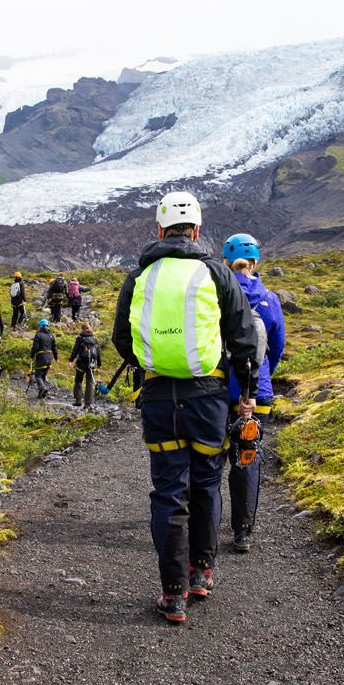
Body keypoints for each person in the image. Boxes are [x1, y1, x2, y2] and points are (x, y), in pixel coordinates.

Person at [113, 191, 259, 625]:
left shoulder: (139, 276)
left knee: (168, 490)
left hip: (159, 398)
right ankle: (202, 572)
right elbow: (244, 339)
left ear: (159, 230)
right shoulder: (217, 272)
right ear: (196, 231)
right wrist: (246, 393)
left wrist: (149, 364)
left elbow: (123, 338)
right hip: (208, 398)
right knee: (206, 484)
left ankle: (172, 594)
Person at [222, 233, 286, 554]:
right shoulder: (270, 300)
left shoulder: (215, 296)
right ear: (256, 264)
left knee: (209, 459)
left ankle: (200, 521)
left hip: (219, 392)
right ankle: (243, 531)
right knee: (247, 459)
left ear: (224, 262)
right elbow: (276, 348)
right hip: (257, 394)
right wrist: (261, 380)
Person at [68, 323, 101, 409]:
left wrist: (71, 360)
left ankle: (78, 400)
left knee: (78, 381)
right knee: (90, 383)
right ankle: (88, 404)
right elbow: (98, 353)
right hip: (92, 364)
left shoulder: (80, 338)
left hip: (81, 363)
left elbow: (75, 349)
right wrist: (99, 365)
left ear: (82, 329)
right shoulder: (94, 339)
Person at [29, 319, 57, 399]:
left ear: (41, 326)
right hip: (49, 358)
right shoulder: (51, 335)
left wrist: (31, 356)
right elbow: (54, 348)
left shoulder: (38, 334)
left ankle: (43, 389)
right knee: (43, 375)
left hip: (41, 357)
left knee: (37, 375)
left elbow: (35, 347)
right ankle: (41, 394)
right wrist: (56, 357)